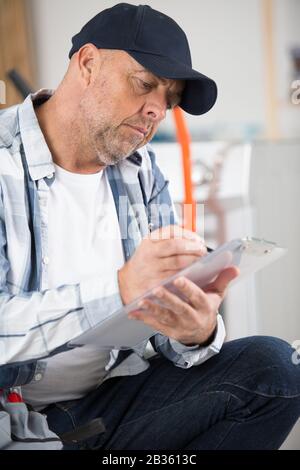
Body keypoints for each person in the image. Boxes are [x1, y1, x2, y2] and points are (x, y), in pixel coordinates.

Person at [0, 3, 299, 450]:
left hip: (108, 400)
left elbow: (165, 338)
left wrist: (197, 330)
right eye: (145, 85)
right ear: (87, 62)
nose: (156, 110)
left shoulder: (140, 172)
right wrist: (121, 289)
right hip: (13, 416)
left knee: (276, 370)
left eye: (170, 99)